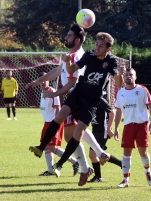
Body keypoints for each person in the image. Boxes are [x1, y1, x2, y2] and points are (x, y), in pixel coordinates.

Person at [29, 32, 123, 186]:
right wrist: (66, 63)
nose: (97, 47)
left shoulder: (111, 61)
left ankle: (63, 164)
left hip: (91, 101)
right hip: (78, 93)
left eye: (101, 46)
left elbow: (118, 84)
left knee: (78, 133)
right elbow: (72, 70)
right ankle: (40, 148)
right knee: (60, 115)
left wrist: (119, 74)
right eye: (96, 44)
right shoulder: (89, 55)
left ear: (108, 49)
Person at [114, 67, 151, 188]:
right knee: (126, 153)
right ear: (124, 76)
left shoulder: (142, 90)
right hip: (128, 126)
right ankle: (125, 179)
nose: (128, 77)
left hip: (142, 125)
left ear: (135, 77)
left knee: (143, 152)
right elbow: (118, 111)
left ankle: (147, 171)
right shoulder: (120, 92)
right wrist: (116, 127)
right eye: (126, 75)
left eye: (131, 75)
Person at [38, 72, 79, 176]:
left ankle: (75, 162)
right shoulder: (42, 93)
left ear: (48, 80)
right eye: (41, 80)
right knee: (47, 147)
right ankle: (50, 170)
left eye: (45, 80)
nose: (43, 82)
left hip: (54, 123)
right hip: (46, 123)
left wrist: (55, 125)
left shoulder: (52, 92)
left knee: (51, 148)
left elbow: (58, 109)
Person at [88, 92, 122, 183]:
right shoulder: (88, 99)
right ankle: (122, 164)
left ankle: (98, 177)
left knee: (93, 154)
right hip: (95, 130)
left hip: (102, 130)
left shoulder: (99, 99)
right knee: (98, 155)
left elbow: (112, 113)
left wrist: (109, 128)